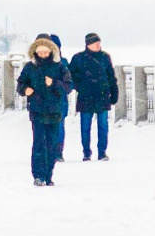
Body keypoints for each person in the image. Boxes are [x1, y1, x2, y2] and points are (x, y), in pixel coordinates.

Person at [16, 34, 72, 184]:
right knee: (39, 143)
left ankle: (48, 175)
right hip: (37, 110)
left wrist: (54, 83)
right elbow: (20, 84)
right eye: (40, 52)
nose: (42, 55)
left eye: (45, 52)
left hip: (54, 110)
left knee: (52, 144)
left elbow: (68, 86)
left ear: (51, 51)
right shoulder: (30, 67)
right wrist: (25, 89)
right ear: (35, 52)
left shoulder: (59, 67)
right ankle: (38, 176)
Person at [68, 32, 119, 160]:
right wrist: (80, 86)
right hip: (86, 96)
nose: (98, 45)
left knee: (103, 125)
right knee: (85, 127)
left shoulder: (105, 57)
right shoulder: (78, 58)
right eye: (95, 43)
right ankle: (86, 152)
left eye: (99, 43)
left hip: (102, 95)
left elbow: (111, 77)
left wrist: (114, 92)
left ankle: (102, 152)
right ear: (88, 44)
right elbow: (69, 76)